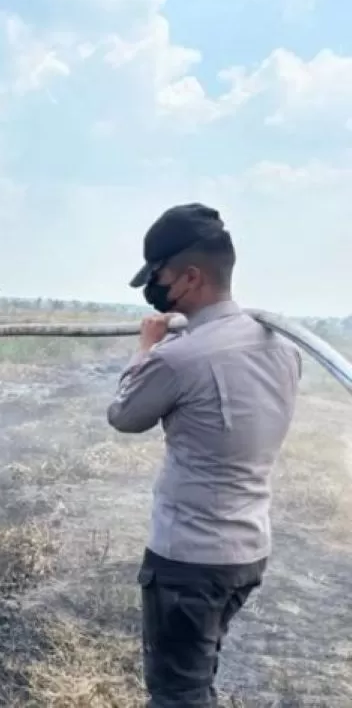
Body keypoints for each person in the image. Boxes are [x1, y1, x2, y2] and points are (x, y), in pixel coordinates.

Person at [107, 203, 302, 707]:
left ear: (189, 277)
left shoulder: (179, 356)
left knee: (177, 695)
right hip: (246, 551)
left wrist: (146, 348)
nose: (154, 287)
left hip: (188, 558)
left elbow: (124, 416)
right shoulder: (285, 349)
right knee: (195, 675)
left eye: (158, 276)